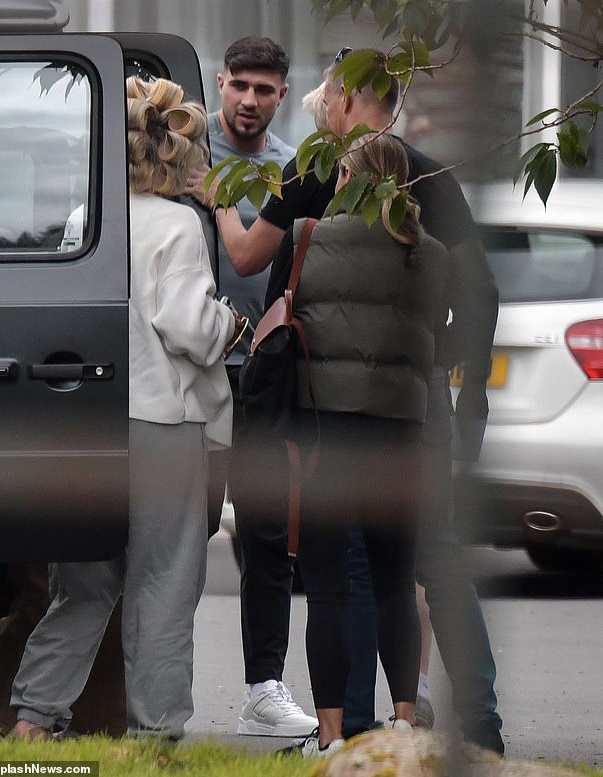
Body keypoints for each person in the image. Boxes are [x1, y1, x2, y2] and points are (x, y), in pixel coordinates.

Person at [189, 48, 504, 755]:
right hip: (413, 408)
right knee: (427, 561)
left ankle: (346, 733)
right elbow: (476, 290)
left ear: (346, 99)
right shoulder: (433, 181)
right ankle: (465, 722)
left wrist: (214, 198)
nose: (323, 107)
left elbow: (252, 267)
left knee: (341, 574)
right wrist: (456, 373)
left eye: (328, 96)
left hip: (323, 414)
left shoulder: (307, 177)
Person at [9, 76, 239, 741]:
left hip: (94, 421)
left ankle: (31, 717)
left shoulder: (89, 221)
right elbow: (188, 326)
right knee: (163, 586)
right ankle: (156, 735)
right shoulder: (181, 225)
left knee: (83, 585)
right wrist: (232, 323)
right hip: (165, 427)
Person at [263, 132, 447, 754]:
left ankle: (335, 735)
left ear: (351, 179)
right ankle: (401, 724)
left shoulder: (305, 237)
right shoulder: (432, 254)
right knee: (397, 582)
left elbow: (278, 321)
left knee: (330, 588)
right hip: (401, 436)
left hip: (325, 436)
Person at [198, 36, 318, 738]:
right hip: (189, 373)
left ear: (281, 93)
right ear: (220, 83)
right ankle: (146, 687)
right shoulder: (186, 153)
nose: (248, 101)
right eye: (239, 85)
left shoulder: (293, 168)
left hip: (265, 376)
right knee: (181, 535)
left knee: (269, 535)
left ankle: (263, 687)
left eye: (263, 90)